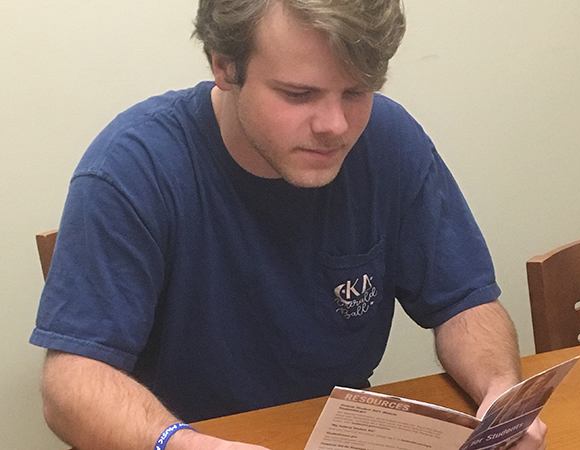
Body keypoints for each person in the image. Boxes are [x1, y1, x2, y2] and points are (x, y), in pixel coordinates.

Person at [29, 1, 547, 449]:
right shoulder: (133, 168)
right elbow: (70, 382)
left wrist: (500, 394)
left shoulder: (390, 142)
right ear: (224, 66)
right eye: (298, 95)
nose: (334, 126)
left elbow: (466, 303)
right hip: (181, 434)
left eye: (356, 92)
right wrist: (181, 442)